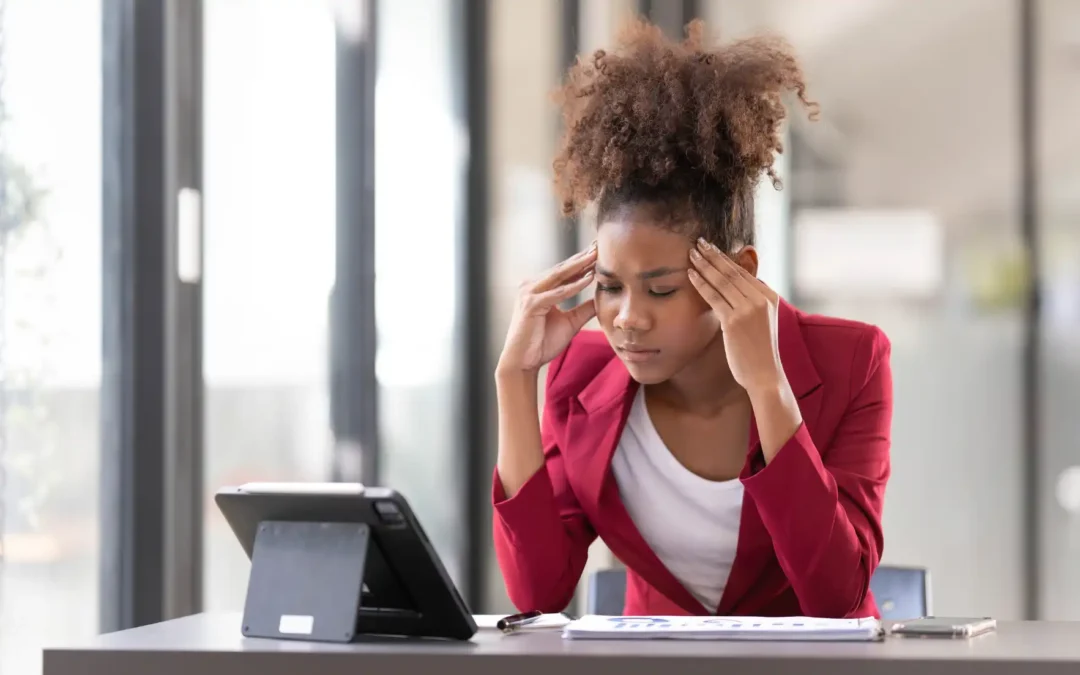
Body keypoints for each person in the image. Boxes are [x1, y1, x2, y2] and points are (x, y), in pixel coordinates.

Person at [491, 18, 892, 619]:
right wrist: (514, 381)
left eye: (662, 290)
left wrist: (768, 386)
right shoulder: (580, 376)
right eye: (609, 287)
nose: (627, 319)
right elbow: (537, 592)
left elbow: (835, 595)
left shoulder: (852, 362)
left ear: (741, 272)